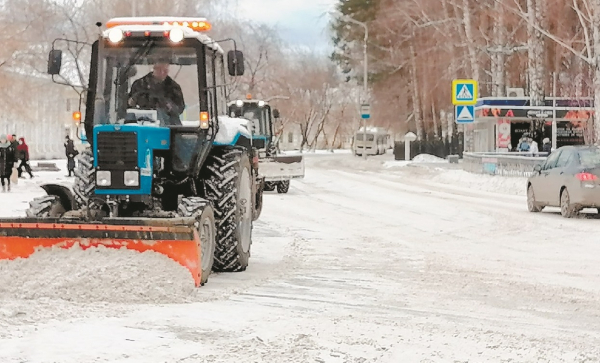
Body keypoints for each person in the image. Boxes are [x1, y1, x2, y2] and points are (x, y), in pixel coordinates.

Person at [127, 61, 185, 126]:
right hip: (141, 127)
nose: (162, 72)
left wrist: (168, 105)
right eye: (159, 69)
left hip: (169, 128)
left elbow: (180, 109)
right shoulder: (139, 85)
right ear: (154, 68)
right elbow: (128, 106)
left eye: (165, 70)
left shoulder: (174, 88)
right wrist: (134, 100)